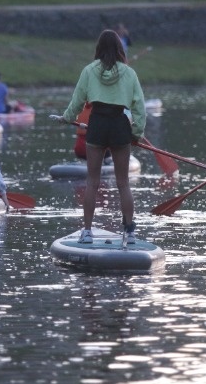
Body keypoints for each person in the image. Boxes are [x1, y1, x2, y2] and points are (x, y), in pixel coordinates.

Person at [53, 29, 146, 245]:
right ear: (120, 49)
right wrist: (137, 133)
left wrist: (67, 118)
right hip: (120, 126)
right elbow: (139, 107)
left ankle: (86, 232)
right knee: (123, 183)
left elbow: (77, 102)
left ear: (98, 49)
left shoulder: (89, 71)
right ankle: (129, 233)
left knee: (92, 182)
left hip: (97, 125)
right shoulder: (129, 73)